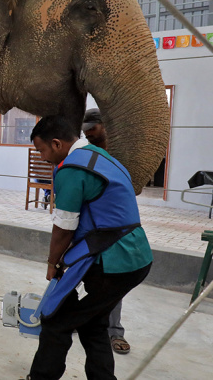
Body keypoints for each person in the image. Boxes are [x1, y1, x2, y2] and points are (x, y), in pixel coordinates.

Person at [28, 116, 152, 380]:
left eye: (41, 150)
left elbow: (64, 225)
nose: (41, 157)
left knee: (56, 321)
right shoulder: (100, 156)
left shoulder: (73, 168)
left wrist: (52, 263)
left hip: (113, 261)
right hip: (135, 257)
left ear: (57, 143)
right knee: (94, 324)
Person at [82, 108, 130, 355]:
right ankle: (73, 320)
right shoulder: (86, 154)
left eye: (93, 127)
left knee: (112, 278)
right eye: (86, 128)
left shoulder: (119, 154)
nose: (88, 132)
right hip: (89, 223)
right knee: (78, 273)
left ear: (105, 126)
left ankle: (114, 332)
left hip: (114, 226)